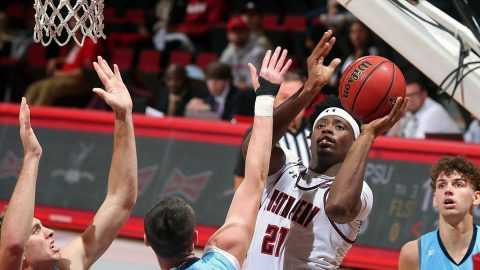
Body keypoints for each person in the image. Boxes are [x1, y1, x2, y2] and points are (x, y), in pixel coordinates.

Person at [241, 30, 409, 269]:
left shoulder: (361, 193)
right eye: (321, 125)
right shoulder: (286, 170)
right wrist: (309, 89)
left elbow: (338, 208)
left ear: (354, 143)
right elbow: (253, 148)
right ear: (309, 138)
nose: (327, 130)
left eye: (339, 126)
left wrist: (369, 133)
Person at [143, 46, 292, 269]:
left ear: (147, 241)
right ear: (194, 237)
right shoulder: (219, 261)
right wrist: (265, 96)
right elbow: (255, 180)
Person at [0, 56, 138, 270]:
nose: (50, 232)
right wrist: (32, 156)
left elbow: (120, 199)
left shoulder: (67, 265)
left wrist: (123, 115)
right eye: (35, 230)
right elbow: (12, 244)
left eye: (41, 226)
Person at [398, 155, 480, 270]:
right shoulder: (413, 253)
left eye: (459, 184)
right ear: (435, 199)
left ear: (476, 197)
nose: (448, 190)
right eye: (442, 185)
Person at [233, 71, 311, 189]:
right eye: (284, 97)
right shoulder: (260, 133)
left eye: (297, 97)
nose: (292, 103)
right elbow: (242, 178)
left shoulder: (317, 130)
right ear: (273, 100)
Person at [387, 68, 460, 139]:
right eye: (407, 96)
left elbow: (415, 145)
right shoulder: (409, 112)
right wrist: (398, 118)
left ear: (424, 94)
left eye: (414, 95)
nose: (410, 100)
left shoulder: (433, 112)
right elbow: (389, 139)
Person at [185, 61, 254, 121]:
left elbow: (233, 120)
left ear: (227, 81)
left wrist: (210, 110)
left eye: (217, 80)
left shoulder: (240, 97)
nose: (212, 84)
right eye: (209, 79)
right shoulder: (207, 97)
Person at [220, 15, 266, 90]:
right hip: (234, 92)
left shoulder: (257, 52)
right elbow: (220, 75)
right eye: (234, 31)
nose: (237, 34)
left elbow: (256, 83)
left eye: (240, 30)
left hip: (253, 93)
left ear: (248, 32)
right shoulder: (228, 52)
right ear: (228, 35)